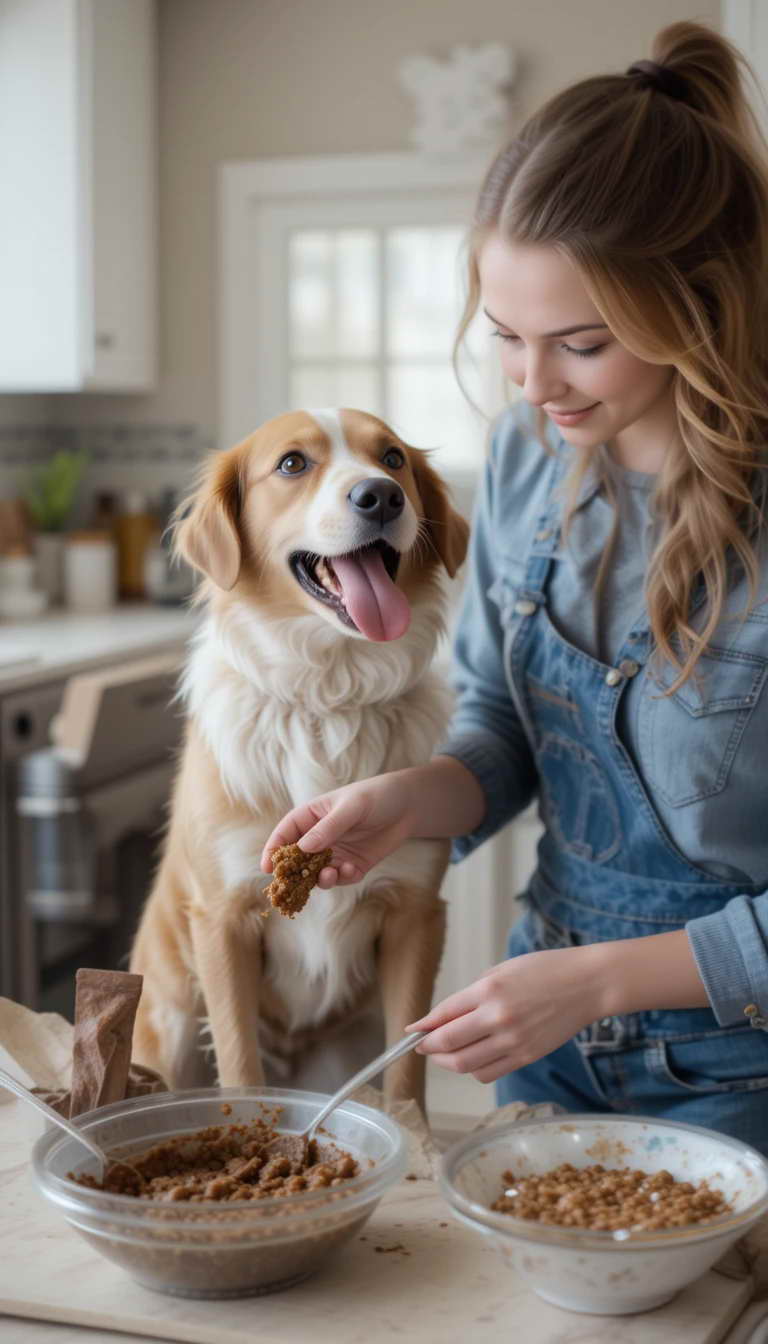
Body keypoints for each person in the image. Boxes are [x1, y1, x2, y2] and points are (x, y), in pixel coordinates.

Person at [261, 20, 768, 1153]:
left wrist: (600, 983)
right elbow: (507, 726)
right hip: (545, 1046)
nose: (534, 383)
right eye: (504, 336)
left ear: (701, 305)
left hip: (743, 1072)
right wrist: (411, 799)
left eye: (582, 343)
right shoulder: (529, 462)